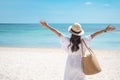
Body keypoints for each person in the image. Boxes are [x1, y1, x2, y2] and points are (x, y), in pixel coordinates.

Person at [40, 21, 116, 80]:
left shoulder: (66, 40)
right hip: (80, 65)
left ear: (71, 32)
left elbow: (57, 33)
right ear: (80, 33)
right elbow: (94, 34)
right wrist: (105, 30)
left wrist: (47, 26)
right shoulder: (84, 41)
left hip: (69, 65)